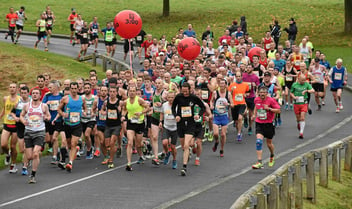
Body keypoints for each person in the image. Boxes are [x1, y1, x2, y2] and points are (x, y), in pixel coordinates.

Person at [172, 82, 205, 176]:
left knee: (186, 145)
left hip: (191, 123)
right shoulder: (178, 97)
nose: (185, 93)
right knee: (183, 146)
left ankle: (184, 167)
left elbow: (202, 107)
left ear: (190, 90)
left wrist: (198, 115)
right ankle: (188, 153)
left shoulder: (194, 98)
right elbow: (173, 107)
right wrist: (176, 116)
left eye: (186, 91)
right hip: (181, 123)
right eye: (183, 91)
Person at [20, 88, 51, 183]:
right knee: (29, 156)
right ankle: (30, 162)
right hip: (28, 132)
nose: (35, 95)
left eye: (37, 93)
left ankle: (33, 175)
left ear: (40, 95)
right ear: (31, 95)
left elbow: (49, 116)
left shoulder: (44, 106)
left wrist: (46, 118)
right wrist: (23, 120)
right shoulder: (26, 106)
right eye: (33, 93)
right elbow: (21, 115)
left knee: (35, 153)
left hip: (39, 132)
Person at [57, 82, 86, 172]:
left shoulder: (82, 99)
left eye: (75, 89)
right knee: (69, 144)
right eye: (72, 89)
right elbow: (58, 109)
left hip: (77, 124)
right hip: (67, 124)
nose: (73, 90)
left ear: (78, 89)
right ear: (70, 89)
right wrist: (63, 114)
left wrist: (83, 112)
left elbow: (84, 108)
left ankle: (70, 163)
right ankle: (76, 149)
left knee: (73, 143)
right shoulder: (65, 99)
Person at [251, 86, 281, 169]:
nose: (262, 94)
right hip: (259, 123)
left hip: (269, 124)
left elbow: (278, 110)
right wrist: (254, 115)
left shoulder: (271, 100)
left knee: (269, 144)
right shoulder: (256, 99)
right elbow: (256, 107)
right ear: (258, 93)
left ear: (267, 93)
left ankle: (272, 155)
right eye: (261, 92)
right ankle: (259, 161)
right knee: (258, 141)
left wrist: (269, 109)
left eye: (264, 92)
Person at [121, 86, 150, 171]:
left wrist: (141, 112)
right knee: (130, 142)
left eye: (134, 91)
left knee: (138, 144)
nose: (132, 92)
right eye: (130, 91)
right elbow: (124, 109)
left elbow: (148, 108)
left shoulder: (139, 100)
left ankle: (143, 149)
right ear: (128, 92)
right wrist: (123, 116)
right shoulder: (126, 101)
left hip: (140, 123)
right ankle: (129, 163)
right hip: (131, 123)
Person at [42, 80, 64, 165]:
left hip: (58, 120)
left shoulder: (62, 96)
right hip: (49, 120)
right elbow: (42, 106)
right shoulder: (47, 96)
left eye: (50, 87)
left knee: (54, 138)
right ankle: (56, 150)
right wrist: (46, 104)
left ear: (55, 87)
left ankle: (54, 156)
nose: (49, 89)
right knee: (49, 139)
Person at [1, 83, 21, 173]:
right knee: (3, 145)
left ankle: (13, 165)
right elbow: (4, 110)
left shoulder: (19, 99)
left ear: (17, 89)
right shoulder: (5, 98)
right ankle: (8, 154)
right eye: (10, 87)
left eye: (14, 87)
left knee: (13, 146)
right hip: (6, 123)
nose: (12, 89)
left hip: (16, 125)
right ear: (8, 89)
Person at [210, 79, 233, 157]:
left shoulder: (228, 94)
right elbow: (211, 101)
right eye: (221, 83)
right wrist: (211, 106)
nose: (222, 85)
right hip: (216, 116)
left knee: (223, 134)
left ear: (226, 85)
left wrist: (228, 104)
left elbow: (233, 104)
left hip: (224, 116)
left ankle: (222, 149)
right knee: (216, 133)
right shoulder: (215, 93)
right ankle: (216, 141)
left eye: (223, 84)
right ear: (219, 85)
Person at [101, 86, 122, 168]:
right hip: (108, 125)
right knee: (107, 144)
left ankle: (111, 160)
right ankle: (112, 151)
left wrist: (121, 111)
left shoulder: (119, 102)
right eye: (111, 92)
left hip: (116, 125)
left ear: (116, 93)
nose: (112, 93)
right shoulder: (106, 102)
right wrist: (103, 112)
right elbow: (102, 109)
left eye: (114, 92)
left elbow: (124, 110)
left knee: (112, 142)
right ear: (109, 93)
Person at [12, 86, 30, 175]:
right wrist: (15, 117)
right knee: (21, 149)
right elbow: (12, 112)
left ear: (28, 93)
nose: (23, 95)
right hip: (19, 126)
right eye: (22, 93)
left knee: (27, 146)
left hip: (29, 126)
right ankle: (26, 158)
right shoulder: (18, 102)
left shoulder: (31, 102)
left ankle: (24, 166)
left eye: (25, 93)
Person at [290, 74, 315, 139]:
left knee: (302, 118)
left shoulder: (306, 84)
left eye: (304, 80)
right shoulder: (294, 85)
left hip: (304, 103)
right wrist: (294, 97)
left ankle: (301, 133)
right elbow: (291, 93)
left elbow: (313, 90)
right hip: (296, 103)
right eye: (302, 80)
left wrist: (307, 91)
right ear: (298, 79)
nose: (304, 81)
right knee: (298, 119)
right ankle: (299, 123)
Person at [228, 71, 249, 142]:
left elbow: (248, 92)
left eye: (239, 76)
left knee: (240, 118)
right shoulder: (232, 85)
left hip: (242, 103)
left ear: (242, 77)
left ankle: (239, 133)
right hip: (234, 104)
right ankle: (239, 131)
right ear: (235, 77)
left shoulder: (245, 85)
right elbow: (229, 95)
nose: (238, 78)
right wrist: (231, 103)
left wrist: (246, 95)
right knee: (236, 121)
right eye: (237, 76)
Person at [159, 92, 178, 169]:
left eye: (172, 97)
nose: (170, 99)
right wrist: (160, 121)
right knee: (164, 143)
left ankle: (174, 160)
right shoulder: (164, 105)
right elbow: (161, 113)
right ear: (167, 98)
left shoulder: (177, 106)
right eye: (169, 97)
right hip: (166, 126)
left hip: (175, 128)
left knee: (173, 147)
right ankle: (167, 153)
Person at [81, 83, 97, 160]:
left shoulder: (94, 98)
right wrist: (82, 111)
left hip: (91, 119)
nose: (87, 89)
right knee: (86, 136)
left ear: (91, 89)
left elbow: (97, 108)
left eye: (88, 88)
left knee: (87, 134)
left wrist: (94, 113)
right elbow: (79, 107)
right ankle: (90, 146)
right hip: (83, 119)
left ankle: (89, 150)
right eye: (85, 88)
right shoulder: (81, 98)